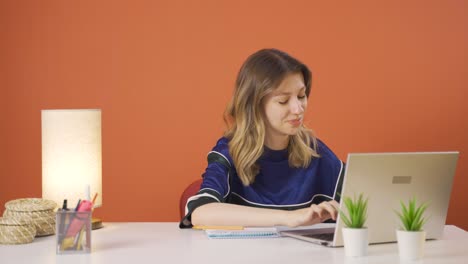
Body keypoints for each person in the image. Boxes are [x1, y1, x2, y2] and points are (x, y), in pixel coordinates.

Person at [180, 48, 344, 229]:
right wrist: (289, 218)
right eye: (283, 101)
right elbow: (200, 213)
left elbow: (365, 202)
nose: (298, 109)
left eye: (301, 96)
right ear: (255, 105)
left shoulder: (316, 152)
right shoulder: (229, 152)